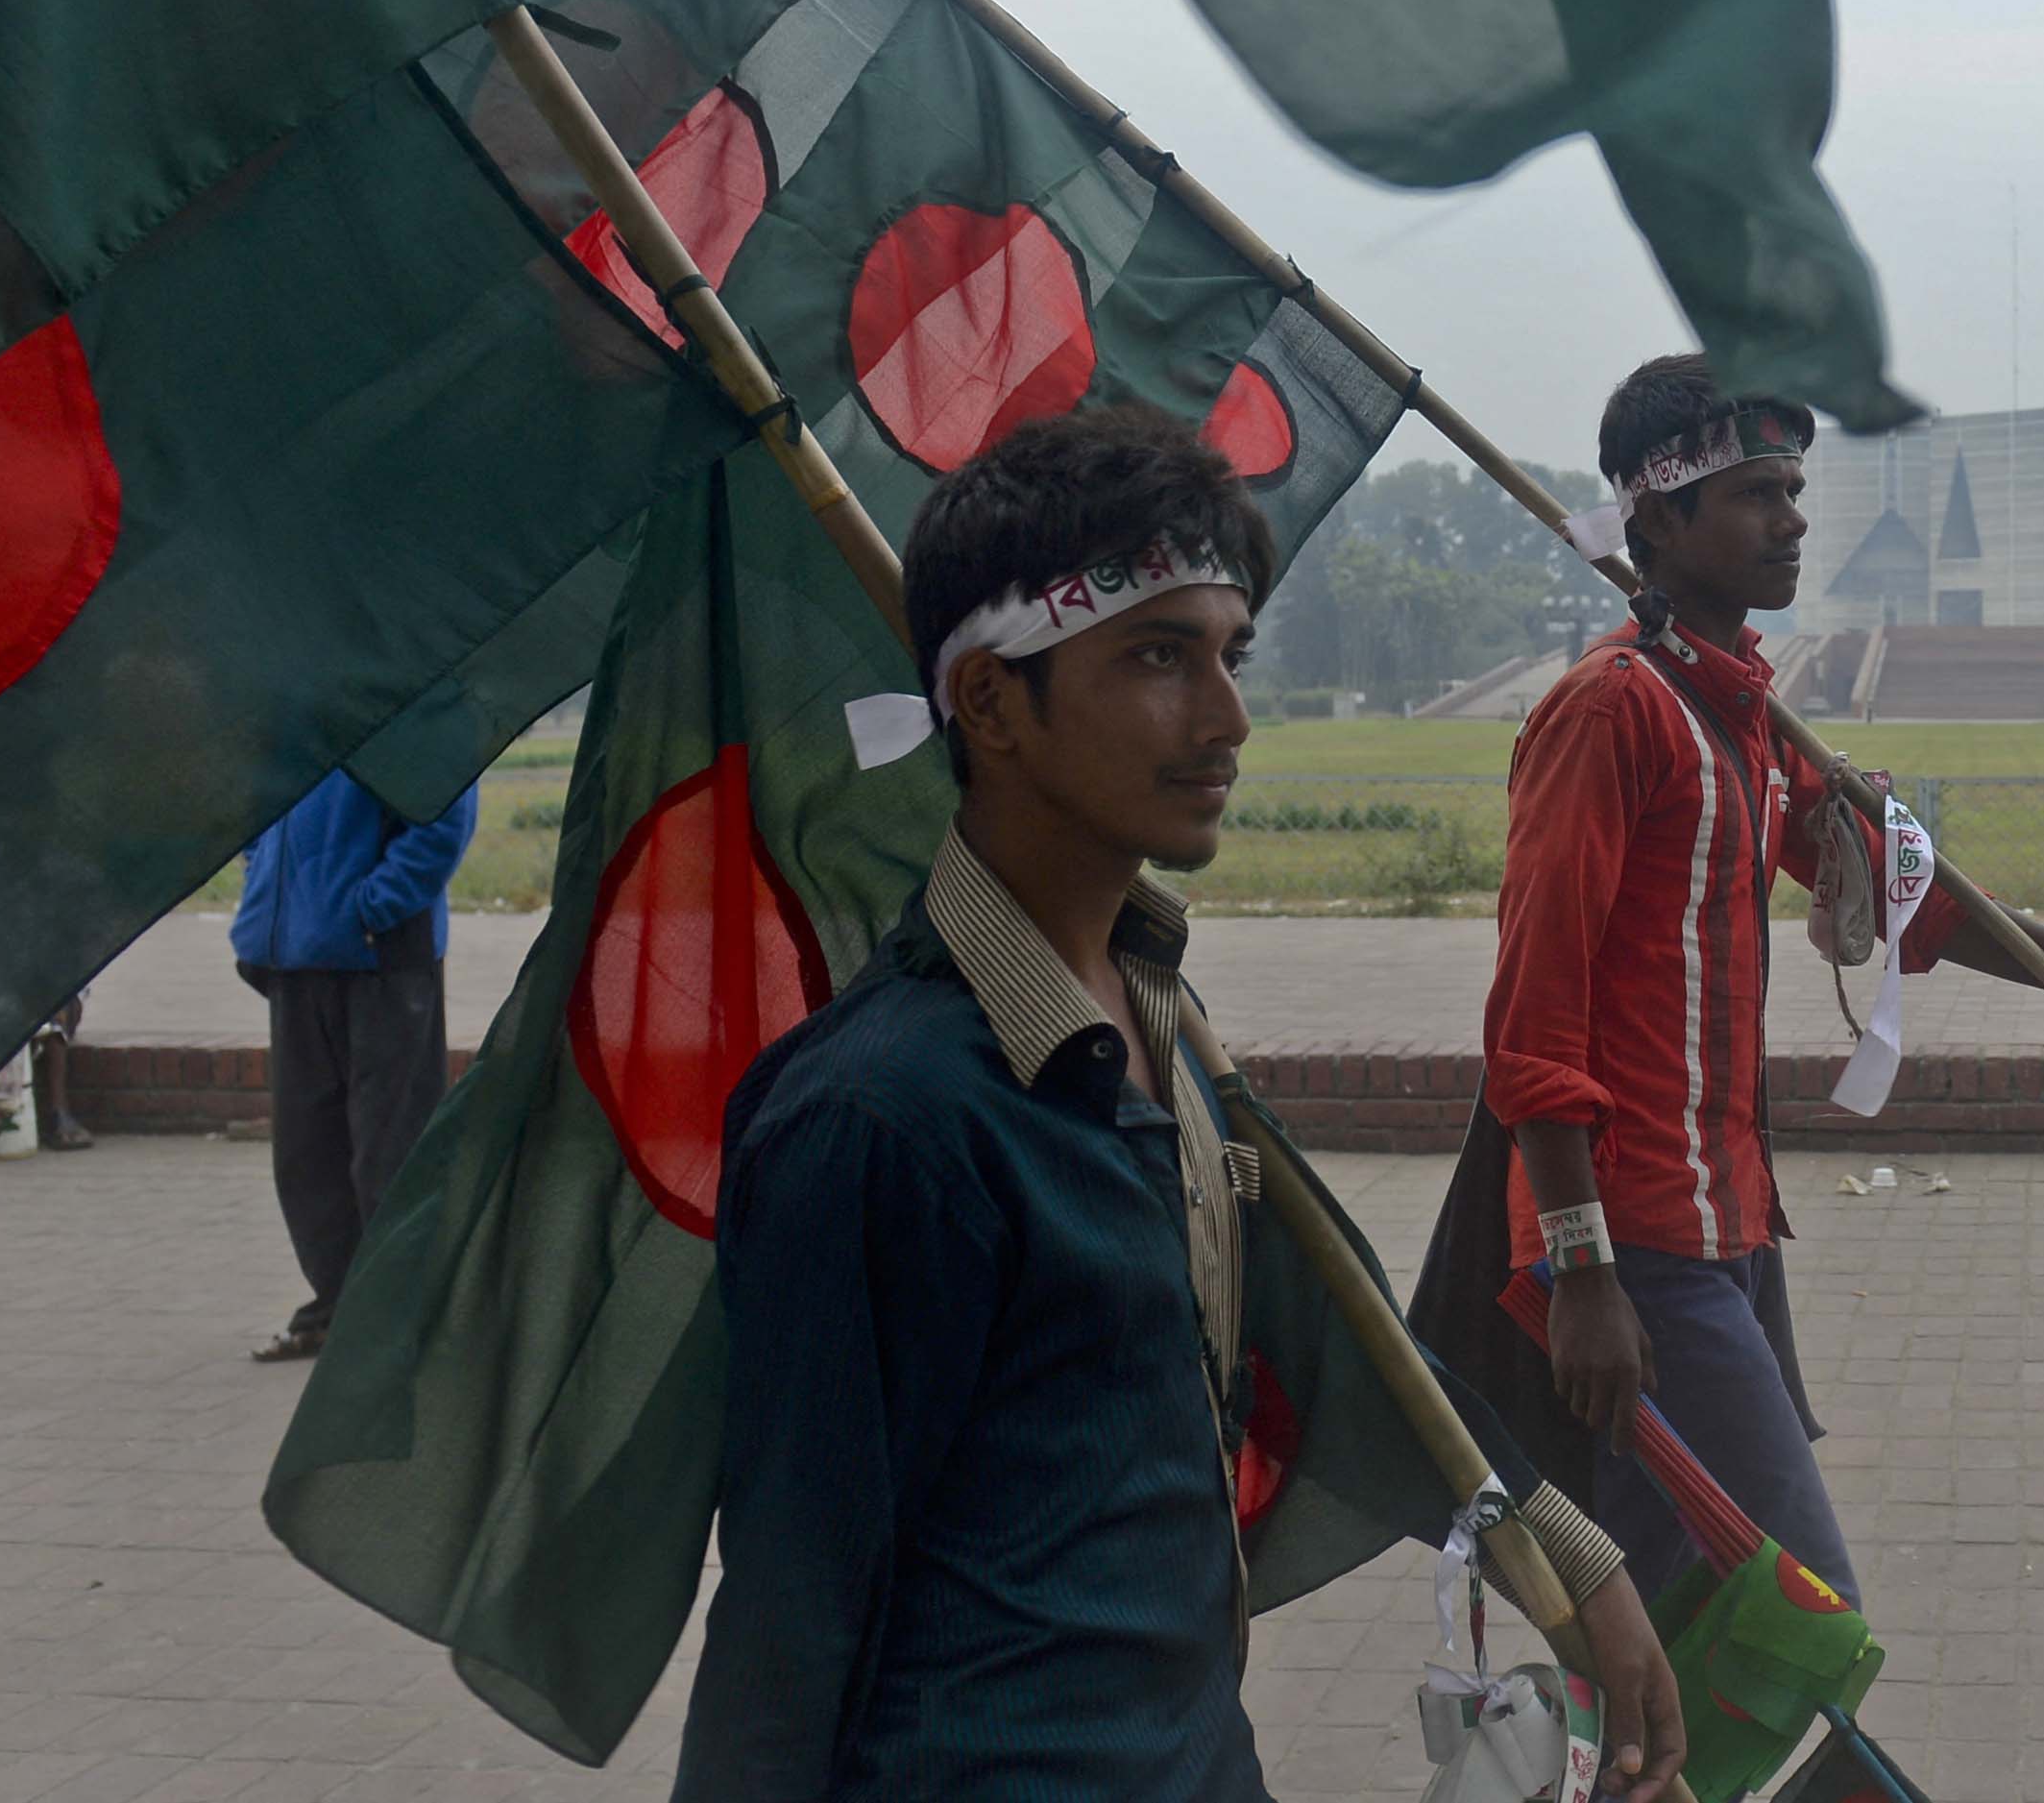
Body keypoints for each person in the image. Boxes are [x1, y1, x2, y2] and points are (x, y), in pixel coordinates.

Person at [676, 404, 1682, 1803]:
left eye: (1228, 655)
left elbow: (1336, 1335)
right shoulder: (879, 1123)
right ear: (988, 703)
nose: (1226, 717)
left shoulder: (1154, 1023)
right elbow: (790, 1617)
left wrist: (1571, 1560)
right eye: (1156, 658)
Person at [1417, 355, 2044, 1620]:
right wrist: (1584, 1273)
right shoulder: (1611, 713)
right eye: (1755, 495)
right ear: (1657, 519)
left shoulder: (1741, 717)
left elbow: (1896, 887)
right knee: (1799, 1603)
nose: (1793, 520)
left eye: (1792, 489)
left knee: (1670, 1602)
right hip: (1634, 1235)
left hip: (1730, 1225)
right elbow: (1530, 1017)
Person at [231, 768, 475, 1362]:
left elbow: (444, 817)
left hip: (381, 960)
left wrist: (369, 909)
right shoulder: (295, 711)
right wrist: (267, 889)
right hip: (294, 956)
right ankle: (337, 1307)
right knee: (307, 1153)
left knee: (391, 1150)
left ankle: (403, 1318)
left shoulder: (413, 703)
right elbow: (255, 812)